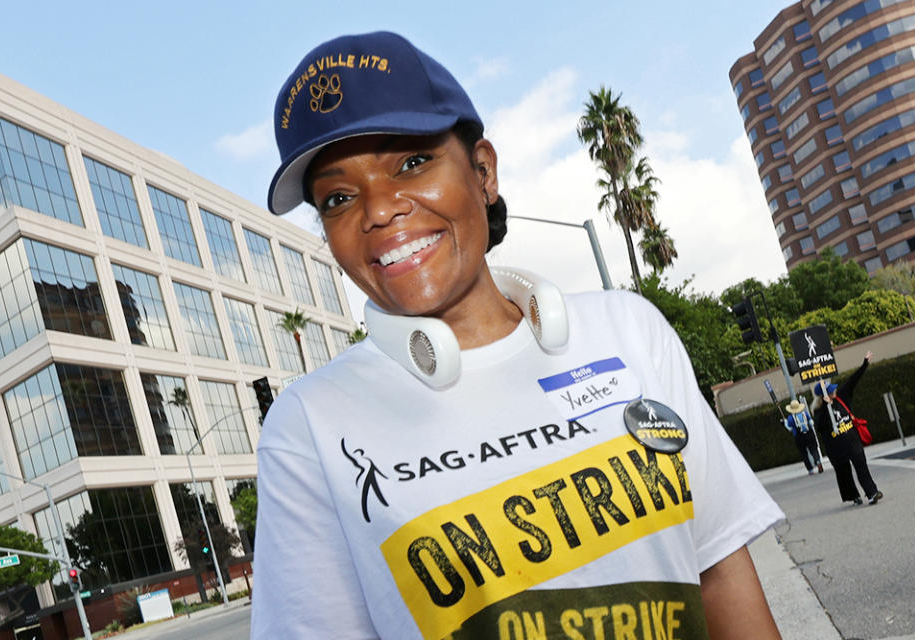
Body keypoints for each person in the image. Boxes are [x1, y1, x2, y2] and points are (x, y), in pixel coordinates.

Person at [252, 31, 784, 640]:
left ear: (483, 171)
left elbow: (718, 571)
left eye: (412, 163)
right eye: (339, 197)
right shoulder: (308, 427)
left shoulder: (630, 331)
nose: (377, 212)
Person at [811, 351, 881, 506]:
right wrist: (826, 407)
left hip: (852, 441)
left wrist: (864, 364)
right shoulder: (818, 411)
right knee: (844, 474)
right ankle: (853, 496)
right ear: (823, 396)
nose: (834, 392)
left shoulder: (842, 397)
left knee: (862, 467)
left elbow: (852, 381)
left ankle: (872, 493)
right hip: (836, 448)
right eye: (830, 391)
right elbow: (820, 426)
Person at [783, 399, 823, 475]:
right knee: (813, 449)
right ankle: (818, 461)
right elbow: (811, 422)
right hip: (809, 434)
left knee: (804, 454)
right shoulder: (805, 413)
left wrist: (784, 423)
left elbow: (790, 428)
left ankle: (810, 470)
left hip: (799, 437)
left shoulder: (790, 418)